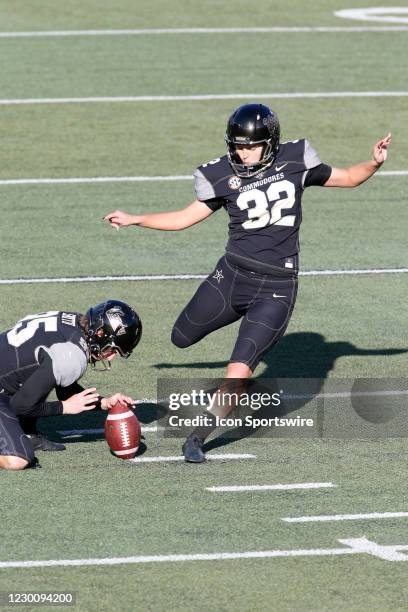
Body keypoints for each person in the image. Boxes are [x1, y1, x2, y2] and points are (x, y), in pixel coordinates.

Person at [104, 103, 392, 462]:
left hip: (276, 288)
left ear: (270, 143)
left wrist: (374, 163)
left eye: (251, 146)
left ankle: (197, 437)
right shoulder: (222, 174)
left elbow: (348, 177)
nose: (243, 152)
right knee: (180, 338)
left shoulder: (295, 161)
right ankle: (235, 380)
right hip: (232, 276)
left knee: (237, 373)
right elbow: (183, 218)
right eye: (238, 145)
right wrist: (136, 219)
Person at [0, 299, 142, 470]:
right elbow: (20, 406)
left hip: (6, 377)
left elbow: (64, 386)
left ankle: (27, 432)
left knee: (43, 374)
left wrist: (104, 402)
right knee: (17, 460)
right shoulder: (72, 355)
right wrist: (64, 407)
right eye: (112, 349)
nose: (111, 357)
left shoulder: (75, 322)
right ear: (99, 334)